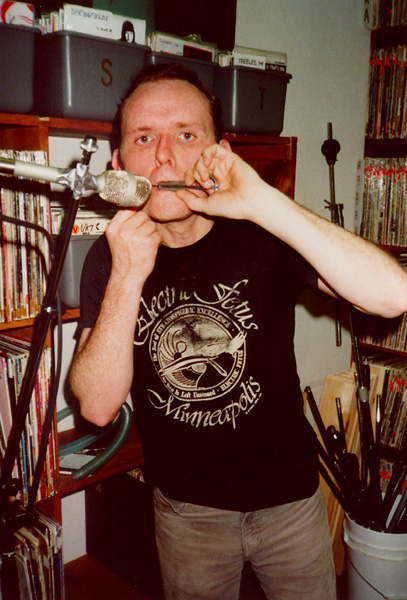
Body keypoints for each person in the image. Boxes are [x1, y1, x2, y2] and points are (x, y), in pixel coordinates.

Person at [69, 63, 407, 600]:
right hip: (185, 512)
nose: (164, 157)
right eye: (144, 138)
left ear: (218, 152)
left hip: (289, 501)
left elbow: (393, 296)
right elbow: (96, 407)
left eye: (186, 135)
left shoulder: (261, 234)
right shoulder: (111, 257)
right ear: (118, 165)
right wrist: (129, 273)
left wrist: (260, 201)